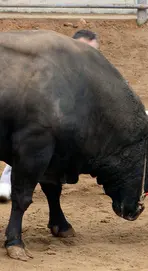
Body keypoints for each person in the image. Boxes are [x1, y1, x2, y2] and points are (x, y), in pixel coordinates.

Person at [0, 29, 100, 203]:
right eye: (85, 51)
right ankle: (6, 181)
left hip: (80, 129)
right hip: (44, 126)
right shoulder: (51, 70)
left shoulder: (100, 76)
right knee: (30, 137)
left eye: (93, 53)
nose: (89, 58)